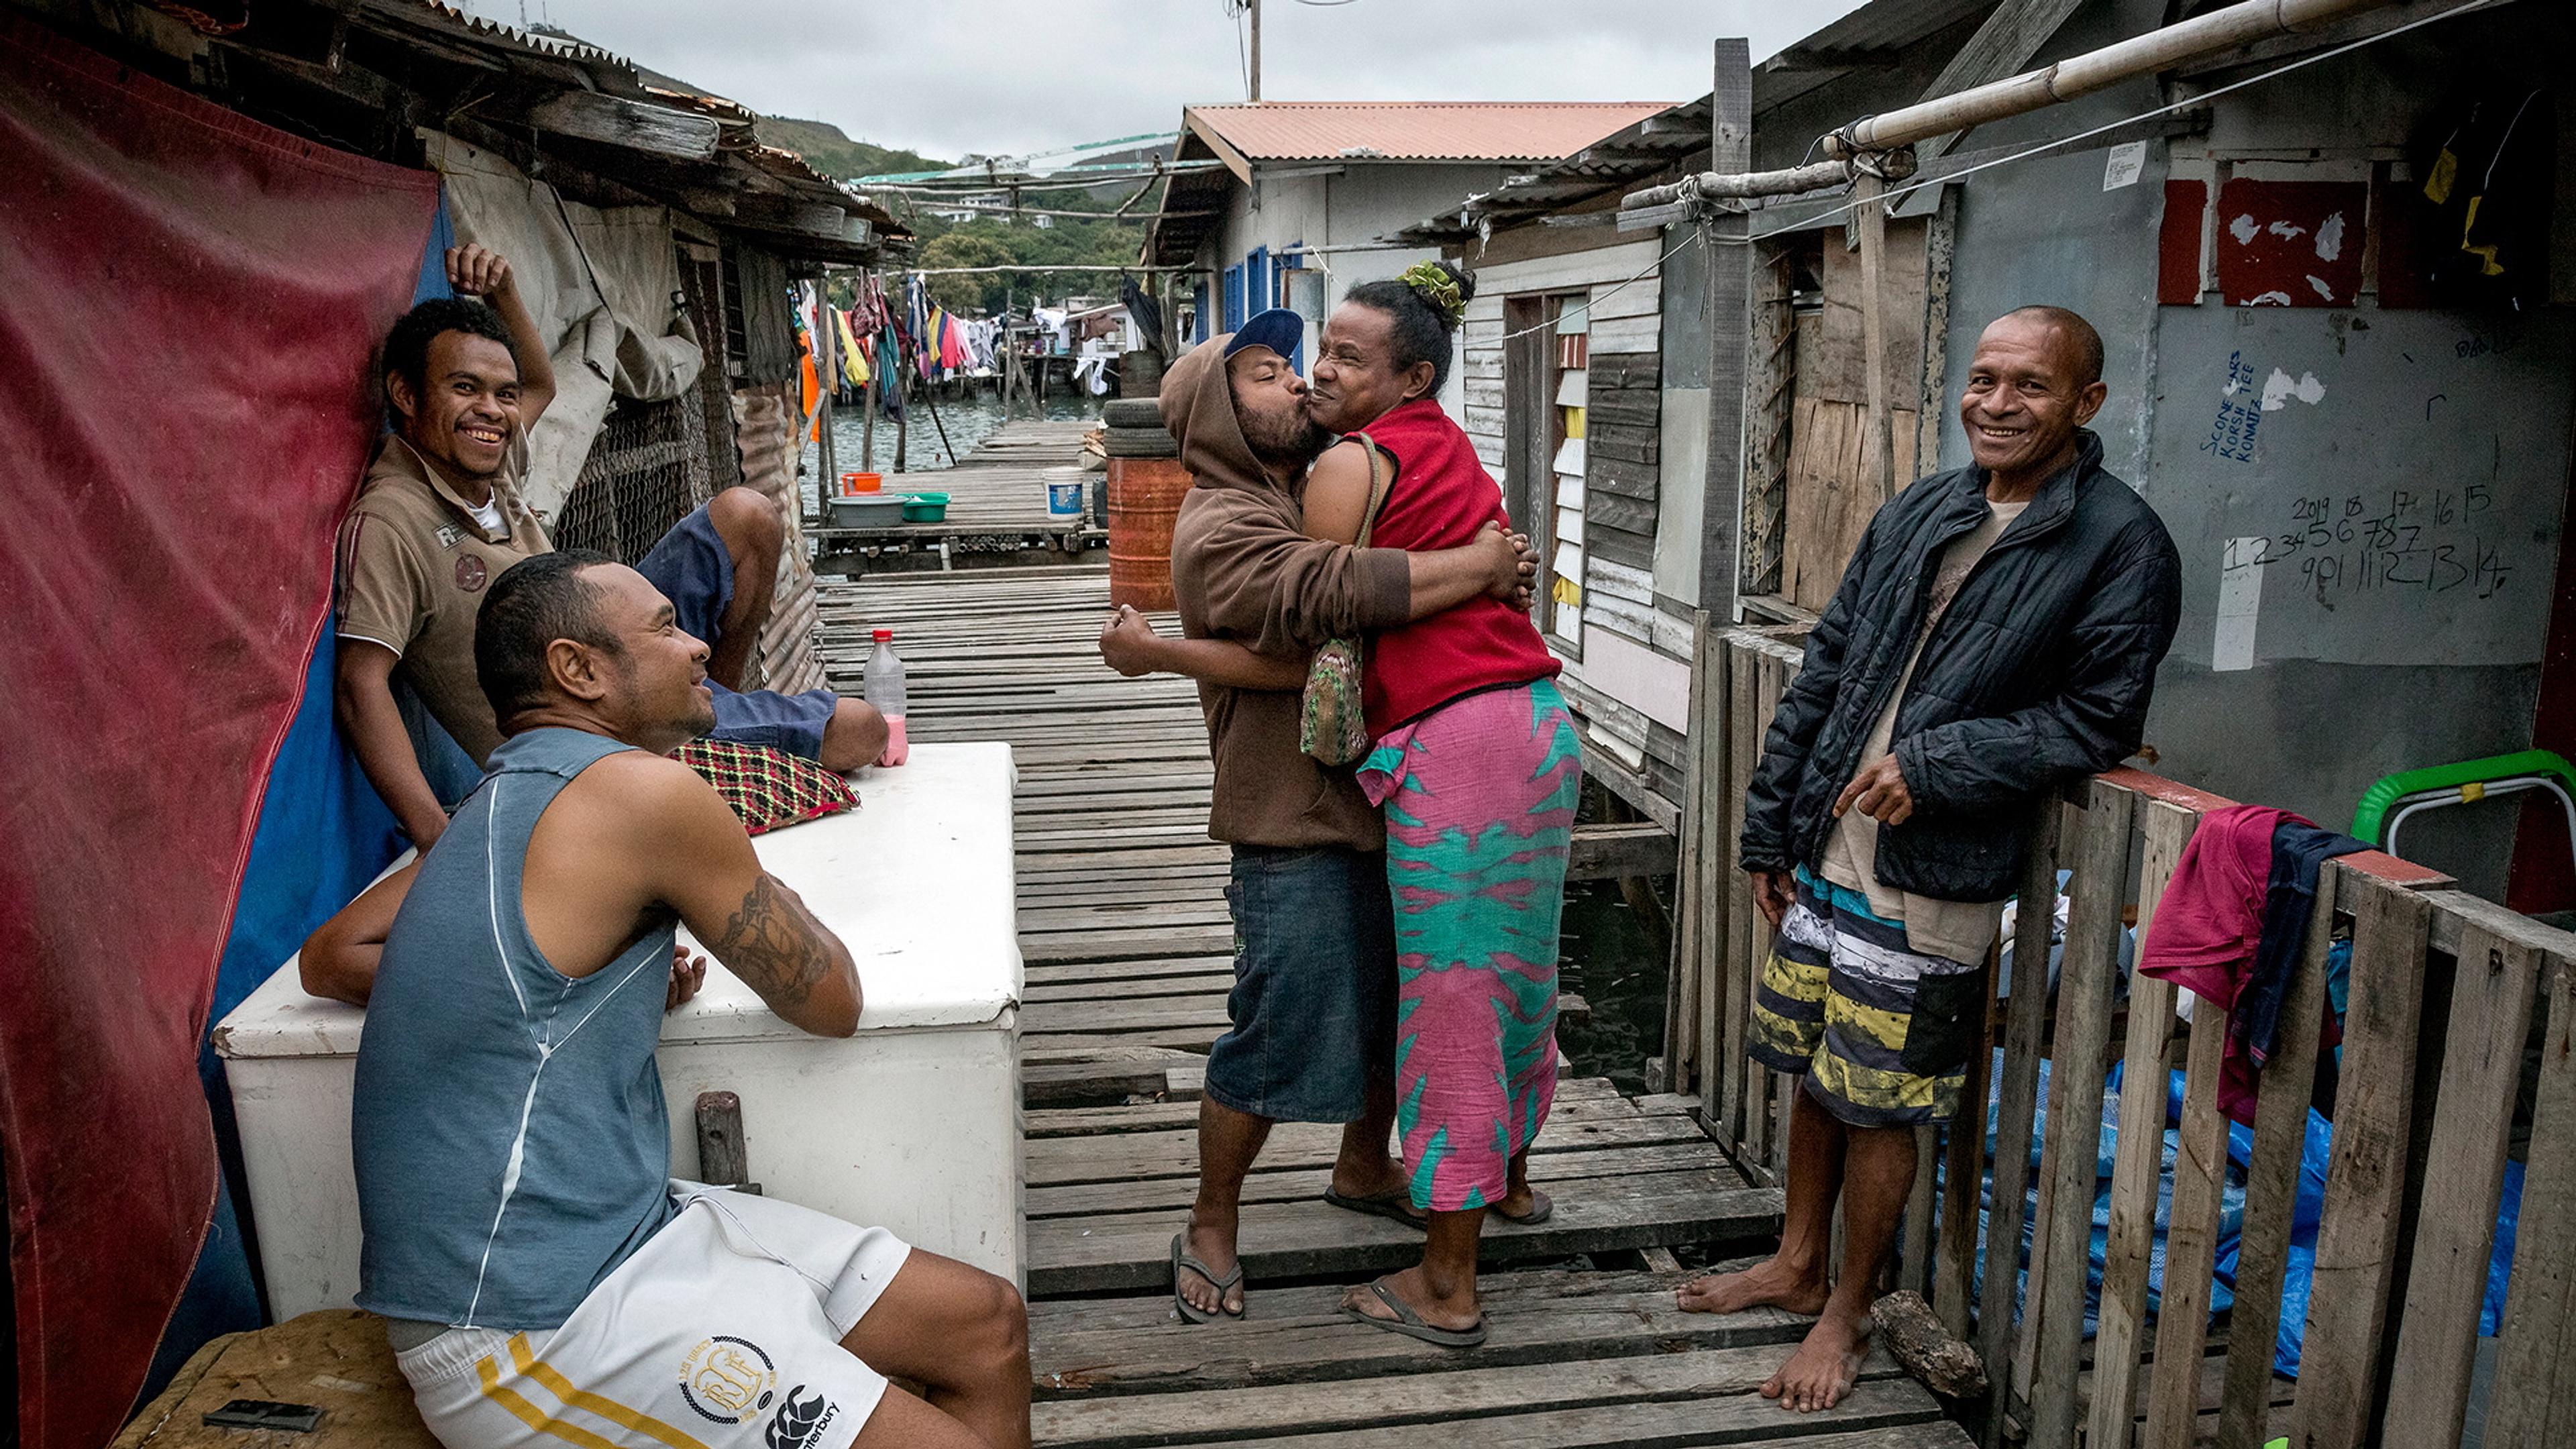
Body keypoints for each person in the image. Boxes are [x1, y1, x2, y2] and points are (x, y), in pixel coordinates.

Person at [300, 549, 1028, 1449]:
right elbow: (832, 1000)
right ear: (579, 670)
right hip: (525, 1323)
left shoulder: (485, 810)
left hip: (629, 1226)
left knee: (986, 1323)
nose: (694, 645)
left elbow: (330, 957)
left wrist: (565, 993)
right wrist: (759, 898)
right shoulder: (650, 795)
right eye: (662, 627)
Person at [1680, 305, 2182, 1413]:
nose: (1996, 404)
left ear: (2086, 404)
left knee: (1884, 1099)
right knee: (1820, 1069)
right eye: (1984, 378)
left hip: (1935, 869)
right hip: (1830, 844)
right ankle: (1797, 1258)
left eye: (2031, 388)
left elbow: (2101, 716)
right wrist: (1773, 826)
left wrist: (1945, 763)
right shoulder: (1924, 507)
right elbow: (1829, 670)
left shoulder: (2119, 541)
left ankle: (1847, 1312)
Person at [1113, 268, 1580, 1348]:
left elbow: (1369, 614)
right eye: (1272, 374)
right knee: (1276, 1035)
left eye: (1317, 361)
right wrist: (1475, 567)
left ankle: (1368, 1167)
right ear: (1217, 417)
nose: (1304, 379)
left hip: (1380, 798)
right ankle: (1211, 1224)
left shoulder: (1312, 487)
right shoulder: (1222, 524)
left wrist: (1468, 577)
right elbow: (1327, 631)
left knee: (1398, 1009)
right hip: (1293, 820)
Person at [337, 244, 887, 852]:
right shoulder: (393, 520)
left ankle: (712, 704)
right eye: (465, 388)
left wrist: (503, 292)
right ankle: (704, 728)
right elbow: (361, 685)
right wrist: (435, 837)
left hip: (613, 638)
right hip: (601, 718)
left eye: (502, 394)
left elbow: (542, 382)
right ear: (406, 396)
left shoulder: (486, 464)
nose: (492, 412)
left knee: (747, 514)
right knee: (863, 729)